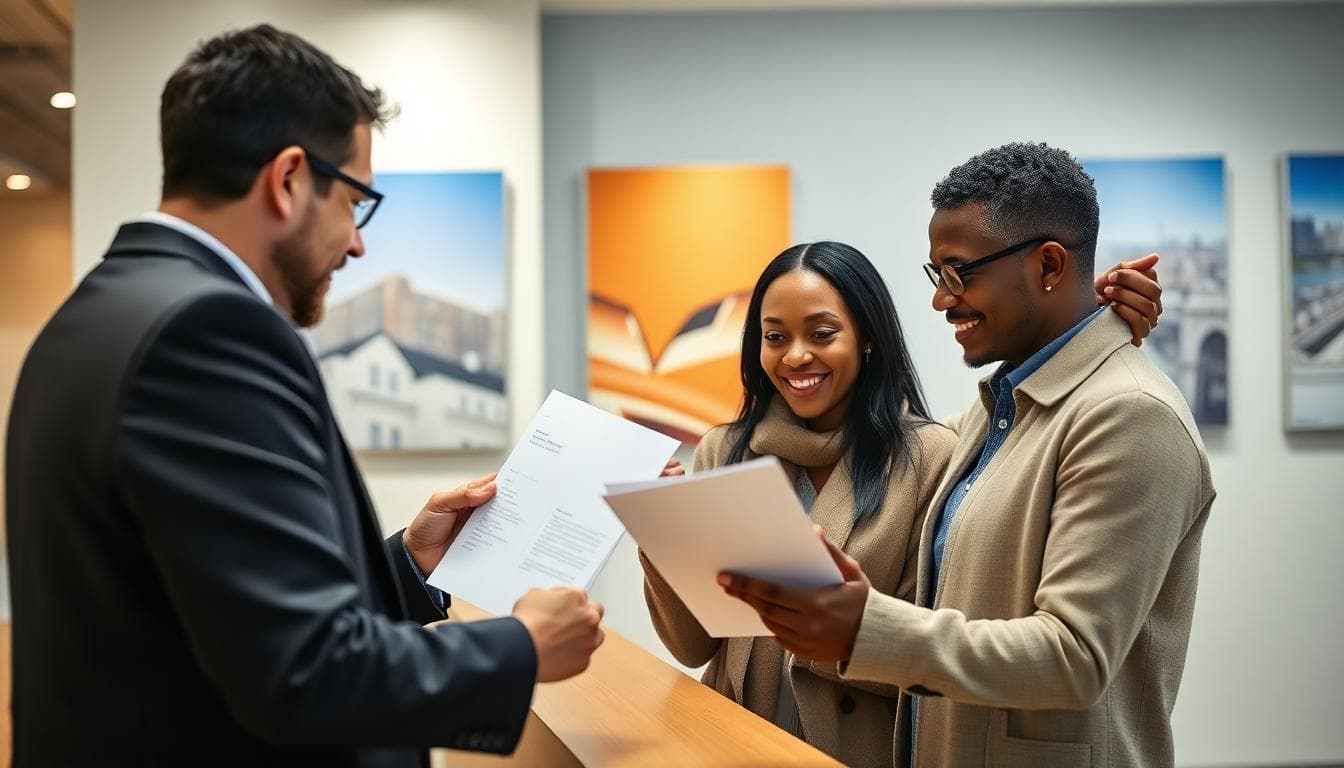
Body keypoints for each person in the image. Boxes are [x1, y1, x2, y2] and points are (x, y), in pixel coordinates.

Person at [5, 25, 603, 767]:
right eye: (356, 202)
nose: (357, 244)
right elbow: (302, 673)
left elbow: (216, 610)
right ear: (290, 179)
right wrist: (520, 648)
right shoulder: (208, 331)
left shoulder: (97, 311)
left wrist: (407, 565)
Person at [719, 142, 1213, 768]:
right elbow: (876, 442)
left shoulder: (1131, 414)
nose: (941, 299)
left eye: (960, 273)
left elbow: (1075, 656)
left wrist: (863, 630)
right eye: (937, 275)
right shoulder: (999, 408)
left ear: (1049, 267)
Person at [644, 237, 1163, 767]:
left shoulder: (931, 455)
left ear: (867, 338)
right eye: (775, 336)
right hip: (733, 748)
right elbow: (692, 647)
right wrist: (664, 532)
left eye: (822, 334)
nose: (796, 355)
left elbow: (931, 666)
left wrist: (1088, 323)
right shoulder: (724, 452)